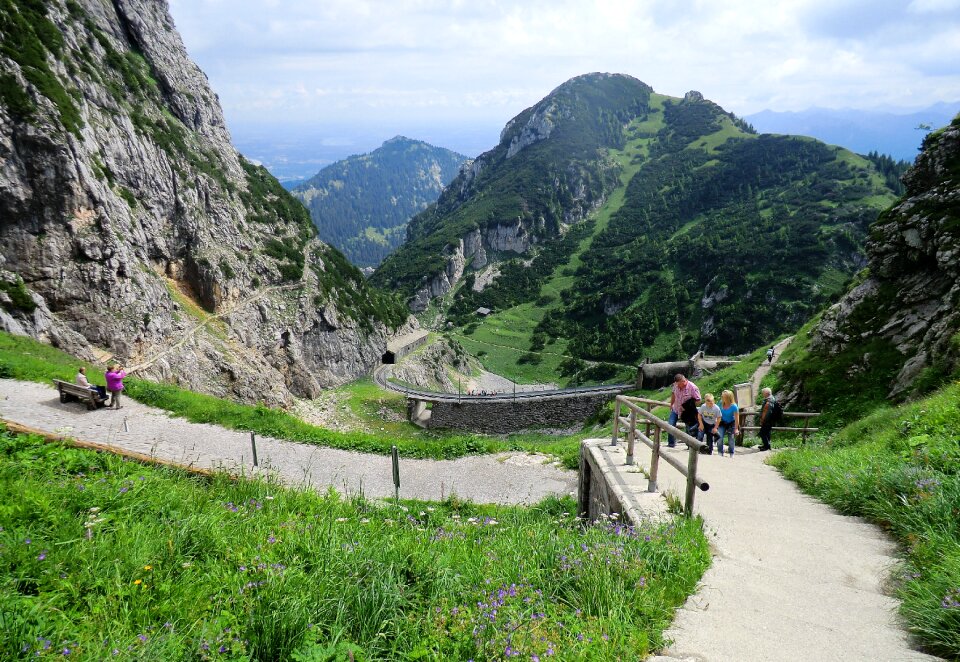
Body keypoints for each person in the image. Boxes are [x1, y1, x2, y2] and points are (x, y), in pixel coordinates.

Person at [668, 373, 701, 447]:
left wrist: (689, 406)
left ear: (683, 380)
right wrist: (671, 404)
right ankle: (671, 443)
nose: (679, 386)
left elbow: (698, 400)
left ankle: (690, 445)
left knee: (688, 428)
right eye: (678, 384)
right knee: (670, 424)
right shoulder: (675, 386)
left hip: (687, 411)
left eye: (681, 383)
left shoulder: (692, 387)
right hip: (676, 408)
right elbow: (673, 394)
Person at [717, 390, 740, 457]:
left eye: (723, 396)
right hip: (722, 422)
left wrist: (736, 429)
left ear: (728, 397)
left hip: (731, 423)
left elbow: (736, 418)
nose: (722, 397)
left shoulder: (734, 406)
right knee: (719, 437)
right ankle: (720, 452)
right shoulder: (720, 403)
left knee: (731, 439)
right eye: (722, 396)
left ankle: (731, 453)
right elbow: (717, 413)